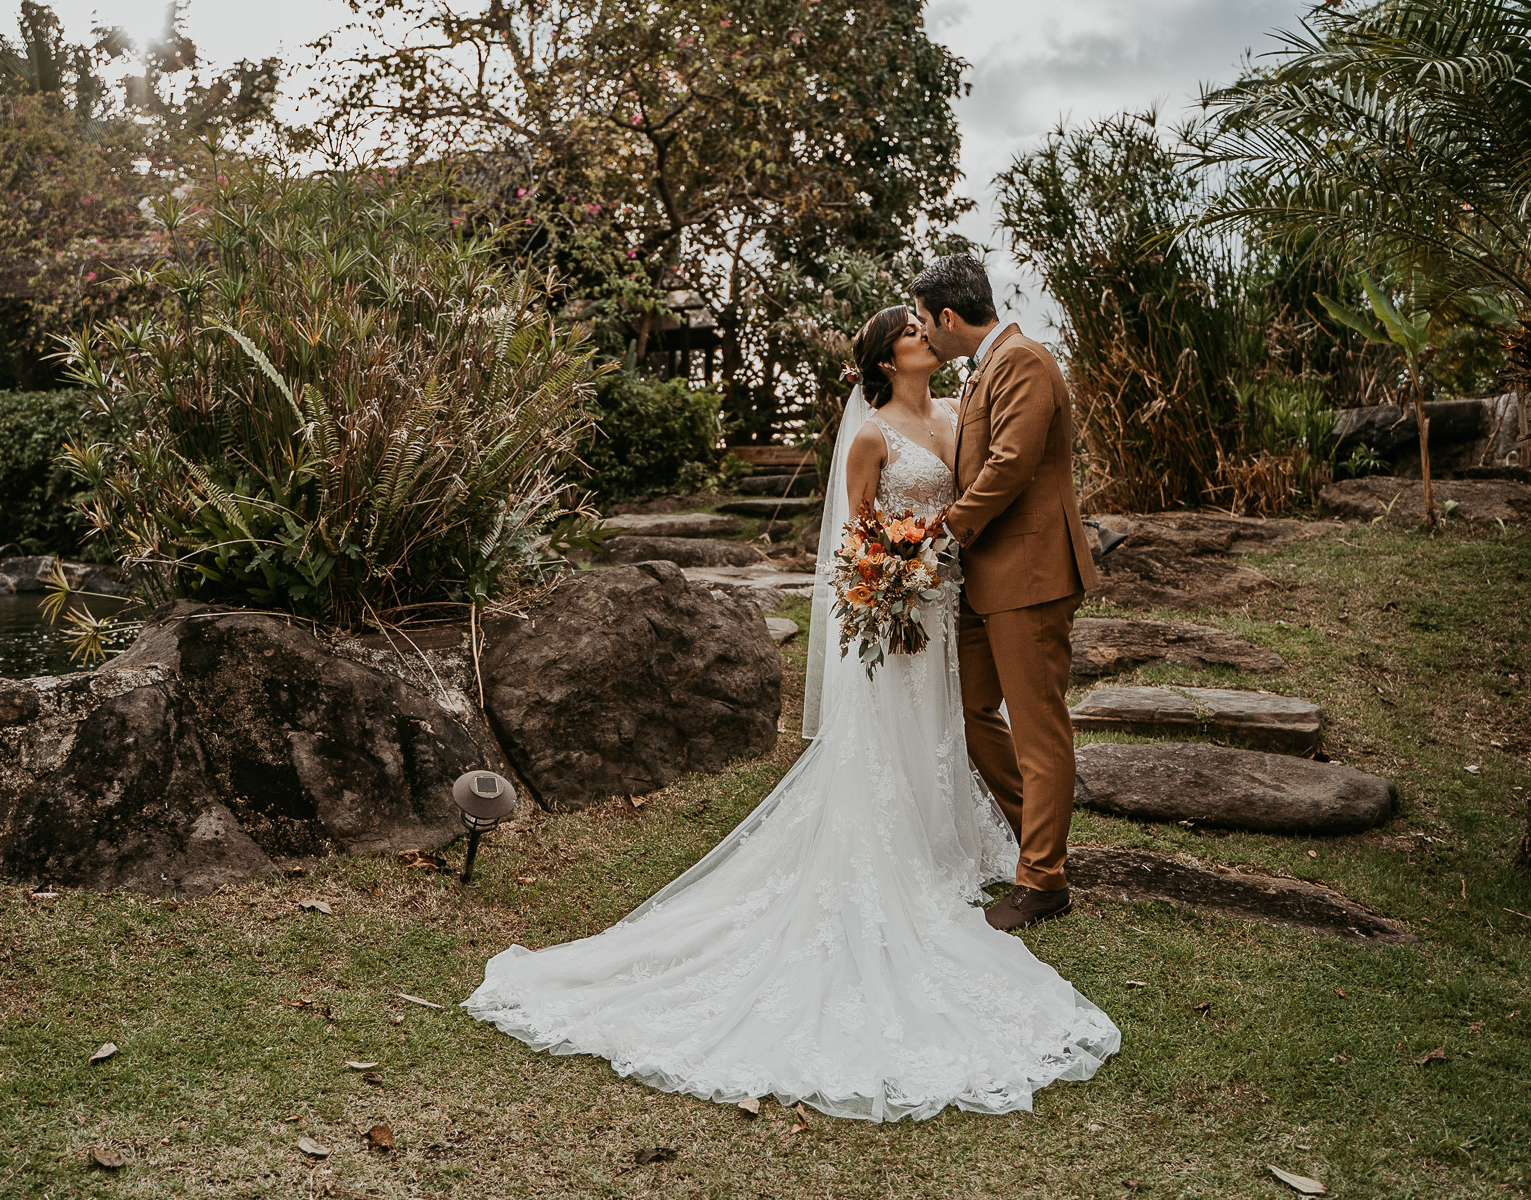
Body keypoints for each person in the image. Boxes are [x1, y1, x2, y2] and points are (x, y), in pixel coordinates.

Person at [462, 303, 1118, 1122]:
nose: (925, 338)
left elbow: (993, 482)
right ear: (885, 360)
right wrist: (889, 585)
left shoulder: (957, 411)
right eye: (911, 334)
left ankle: (961, 842)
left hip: (955, 607)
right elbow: (857, 536)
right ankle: (904, 853)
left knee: (951, 731)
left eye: (926, 327)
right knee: (899, 737)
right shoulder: (873, 433)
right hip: (904, 611)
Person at [909, 255, 1100, 932]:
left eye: (926, 323)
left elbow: (1012, 462)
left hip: (1031, 576)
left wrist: (945, 532)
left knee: (1038, 731)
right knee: (964, 708)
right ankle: (1039, 840)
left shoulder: (1022, 360)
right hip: (989, 579)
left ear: (950, 317)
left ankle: (1044, 879)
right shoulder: (983, 369)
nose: (925, 335)